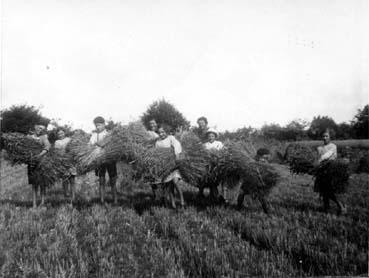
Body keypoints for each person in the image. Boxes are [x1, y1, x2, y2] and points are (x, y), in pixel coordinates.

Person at [314, 130, 345, 215]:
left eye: (326, 136)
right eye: (323, 136)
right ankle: (326, 208)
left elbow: (327, 155)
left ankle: (341, 207)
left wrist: (319, 161)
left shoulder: (333, 146)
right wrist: (316, 166)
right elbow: (318, 158)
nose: (324, 138)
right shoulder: (319, 148)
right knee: (323, 191)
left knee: (329, 191)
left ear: (330, 137)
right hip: (321, 171)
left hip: (330, 170)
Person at [154, 124, 185, 208]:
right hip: (165, 166)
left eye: (163, 132)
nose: (161, 134)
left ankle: (182, 201)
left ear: (167, 131)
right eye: (159, 133)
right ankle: (173, 204)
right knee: (169, 186)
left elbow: (177, 146)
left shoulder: (171, 138)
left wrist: (177, 157)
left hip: (174, 164)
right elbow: (157, 153)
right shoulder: (158, 142)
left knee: (175, 182)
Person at [89, 116, 118, 205]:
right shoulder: (94, 135)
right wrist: (98, 144)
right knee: (101, 180)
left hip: (110, 160)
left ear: (104, 124)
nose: (98, 127)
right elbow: (90, 145)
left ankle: (115, 200)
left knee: (113, 180)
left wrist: (99, 144)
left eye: (99, 125)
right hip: (99, 160)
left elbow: (111, 144)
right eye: (96, 125)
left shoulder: (109, 134)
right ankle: (102, 200)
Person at [28, 124, 51, 208]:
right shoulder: (29, 137)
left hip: (41, 162)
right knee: (34, 184)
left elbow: (48, 146)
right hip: (32, 163)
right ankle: (34, 204)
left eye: (42, 129)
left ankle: (42, 202)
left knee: (42, 183)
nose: (40, 130)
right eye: (39, 128)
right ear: (35, 127)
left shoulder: (44, 138)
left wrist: (40, 155)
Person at [54, 128, 76, 202]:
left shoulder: (69, 140)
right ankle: (66, 197)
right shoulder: (57, 142)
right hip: (62, 162)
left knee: (72, 180)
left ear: (64, 133)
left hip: (70, 161)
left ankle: (73, 197)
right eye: (59, 134)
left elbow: (73, 149)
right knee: (64, 180)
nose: (60, 135)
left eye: (62, 133)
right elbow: (56, 152)